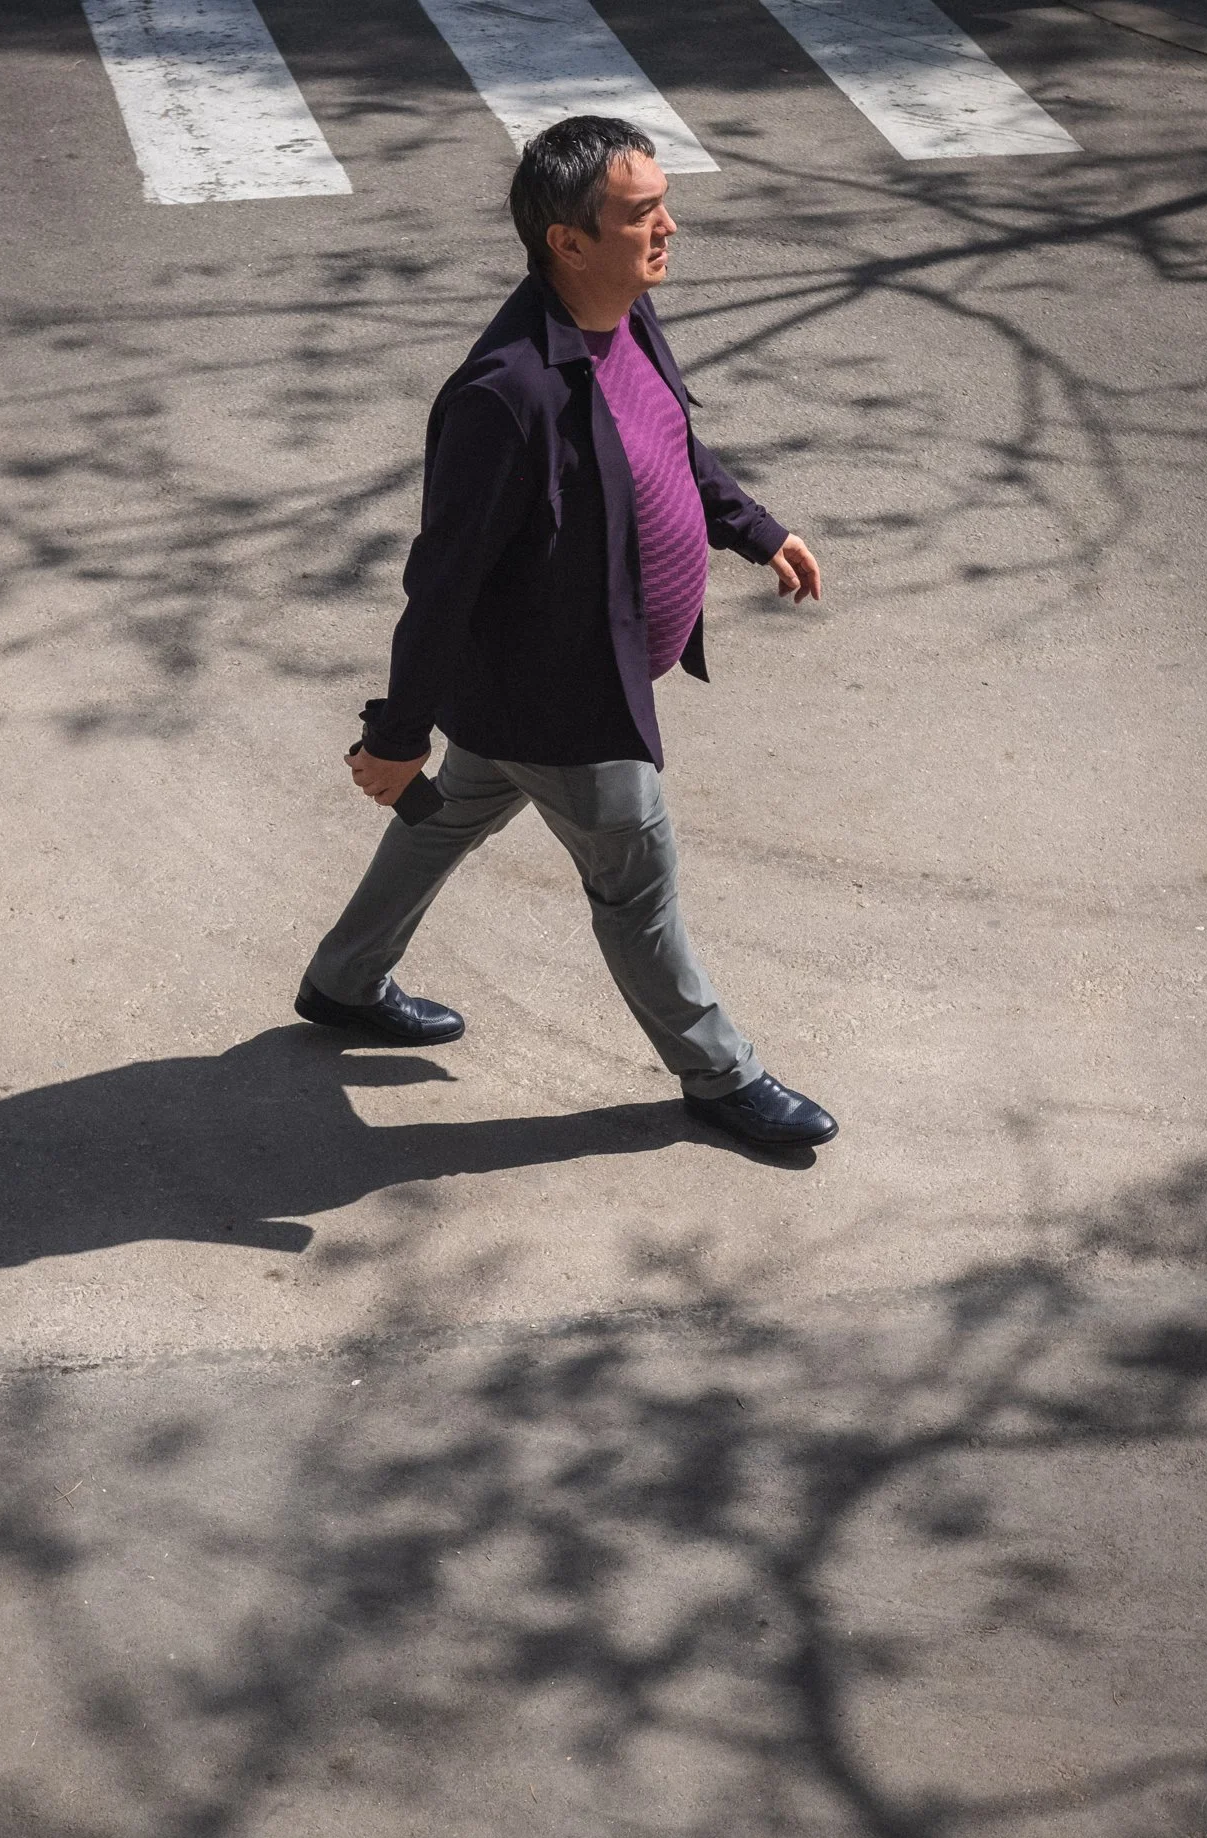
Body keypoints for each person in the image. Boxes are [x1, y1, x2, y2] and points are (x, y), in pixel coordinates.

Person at [295, 114, 837, 1150]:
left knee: (449, 814)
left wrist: (754, 528)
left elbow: (672, 442)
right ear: (568, 240)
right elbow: (442, 583)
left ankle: (342, 979)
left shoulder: (623, 314)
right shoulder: (509, 395)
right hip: (568, 698)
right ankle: (721, 1075)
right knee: (637, 885)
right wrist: (397, 733)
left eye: (663, 204)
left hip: (539, 684)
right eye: (642, 215)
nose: (669, 226)